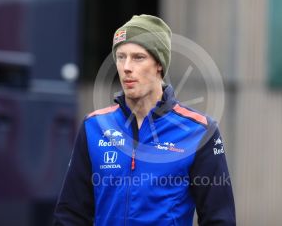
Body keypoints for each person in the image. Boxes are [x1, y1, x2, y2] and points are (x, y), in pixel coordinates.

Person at [53, 14, 235, 226]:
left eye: (138, 57)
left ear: (159, 64)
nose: (126, 67)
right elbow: (70, 215)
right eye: (121, 57)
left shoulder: (200, 131)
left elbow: (219, 219)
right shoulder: (94, 126)